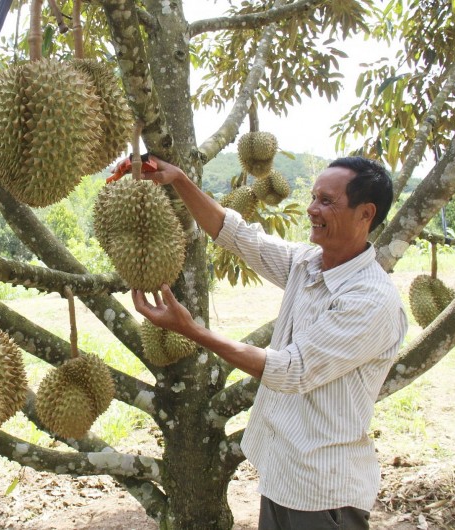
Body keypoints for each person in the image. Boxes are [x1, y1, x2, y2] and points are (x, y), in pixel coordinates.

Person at [131, 155, 408, 530]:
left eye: (327, 201)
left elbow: (290, 370)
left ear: (366, 214)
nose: (312, 209)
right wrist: (180, 181)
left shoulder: (370, 300)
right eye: (313, 197)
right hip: (284, 475)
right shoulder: (308, 264)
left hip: (324, 493)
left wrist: (193, 331)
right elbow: (239, 235)